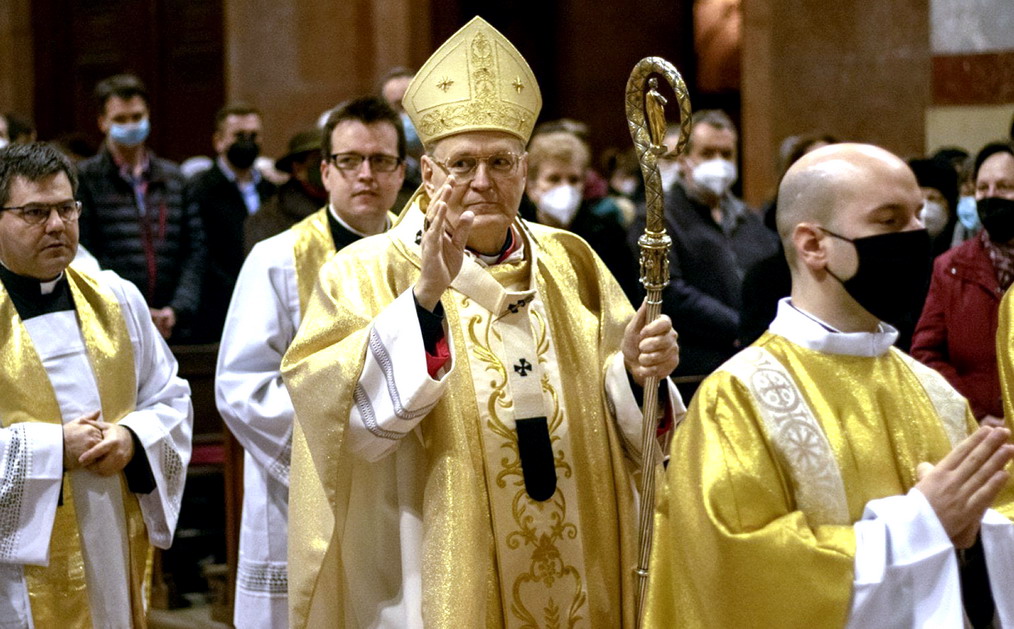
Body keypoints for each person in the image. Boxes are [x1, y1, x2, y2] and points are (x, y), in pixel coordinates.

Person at [281, 17, 681, 628]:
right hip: (433, 549)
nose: (483, 182)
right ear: (428, 172)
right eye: (462, 163)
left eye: (500, 161)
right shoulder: (360, 271)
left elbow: (625, 412)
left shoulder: (573, 262)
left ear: (524, 168)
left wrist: (631, 371)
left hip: (580, 551)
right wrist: (423, 301)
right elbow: (331, 417)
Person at [645, 142, 1014, 628]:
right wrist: (921, 525)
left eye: (918, 217)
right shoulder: (736, 400)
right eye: (889, 221)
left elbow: (998, 514)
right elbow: (737, 572)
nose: (916, 236)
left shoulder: (934, 392)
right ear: (814, 244)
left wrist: (978, 531)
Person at [216, 96, 405, 629]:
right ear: (324, 171)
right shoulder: (277, 258)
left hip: (402, 484)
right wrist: (349, 433)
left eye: (381, 160)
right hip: (306, 485)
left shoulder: (425, 256)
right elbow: (242, 386)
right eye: (349, 160)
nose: (365, 174)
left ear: (402, 172)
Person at [0, 142, 192, 627]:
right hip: (18, 565)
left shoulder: (117, 298)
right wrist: (50, 449)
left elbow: (171, 396)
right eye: (34, 212)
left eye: (67, 208)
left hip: (110, 529)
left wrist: (133, 438)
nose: (57, 226)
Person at [629, 111, 778, 397]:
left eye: (726, 154)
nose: (718, 163)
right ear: (684, 159)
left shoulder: (750, 218)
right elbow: (669, 292)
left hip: (756, 364)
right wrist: (740, 327)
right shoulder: (657, 218)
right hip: (696, 371)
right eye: (707, 153)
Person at [76, 73, 206, 342]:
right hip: (114, 324)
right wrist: (130, 307)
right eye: (121, 119)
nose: (131, 125)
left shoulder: (174, 178)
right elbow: (84, 254)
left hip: (174, 325)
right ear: (103, 123)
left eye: (137, 117)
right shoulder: (85, 180)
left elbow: (194, 251)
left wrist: (177, 309)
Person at [912, 142, 1014, 426]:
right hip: (975, 431)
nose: (991, 197)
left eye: (1004, 187)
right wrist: (973, 412)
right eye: (983, 188)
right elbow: (927, 352)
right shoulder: (950, 267)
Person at [188, 102, 276, 341]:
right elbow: (199, 251)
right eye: (239, 136)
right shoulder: (199, 190)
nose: (247, 142)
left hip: (268, 304)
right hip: (220, 307)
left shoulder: (271, 189)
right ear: (219, 141)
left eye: (253, 136)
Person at [524, 130, 639, 300]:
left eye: (573, 180)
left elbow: (625, 298)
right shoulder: (517, 233)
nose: (565, 188)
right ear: (531, 186)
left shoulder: (608, 233)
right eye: (554, 179)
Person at [244, 129, 328, 252]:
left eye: (332, 159)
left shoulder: (348, 208)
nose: (327, 167)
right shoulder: (267, 219)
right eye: (318, 160)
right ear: (298, 169)